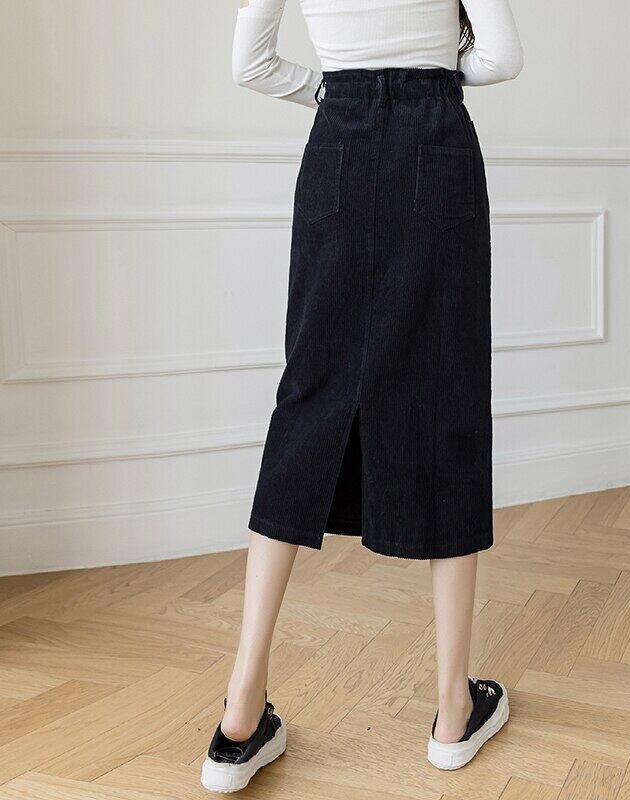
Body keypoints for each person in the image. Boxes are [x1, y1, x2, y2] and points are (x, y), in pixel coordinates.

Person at [200, 0, 523, 791]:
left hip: (337, 145)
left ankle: (241, 710)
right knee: (446, 403)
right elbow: (502, 56)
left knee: (309, 398)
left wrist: (334, 88)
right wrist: (430, 73)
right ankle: (453, 711)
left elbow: (249, 64)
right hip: (435, 145)